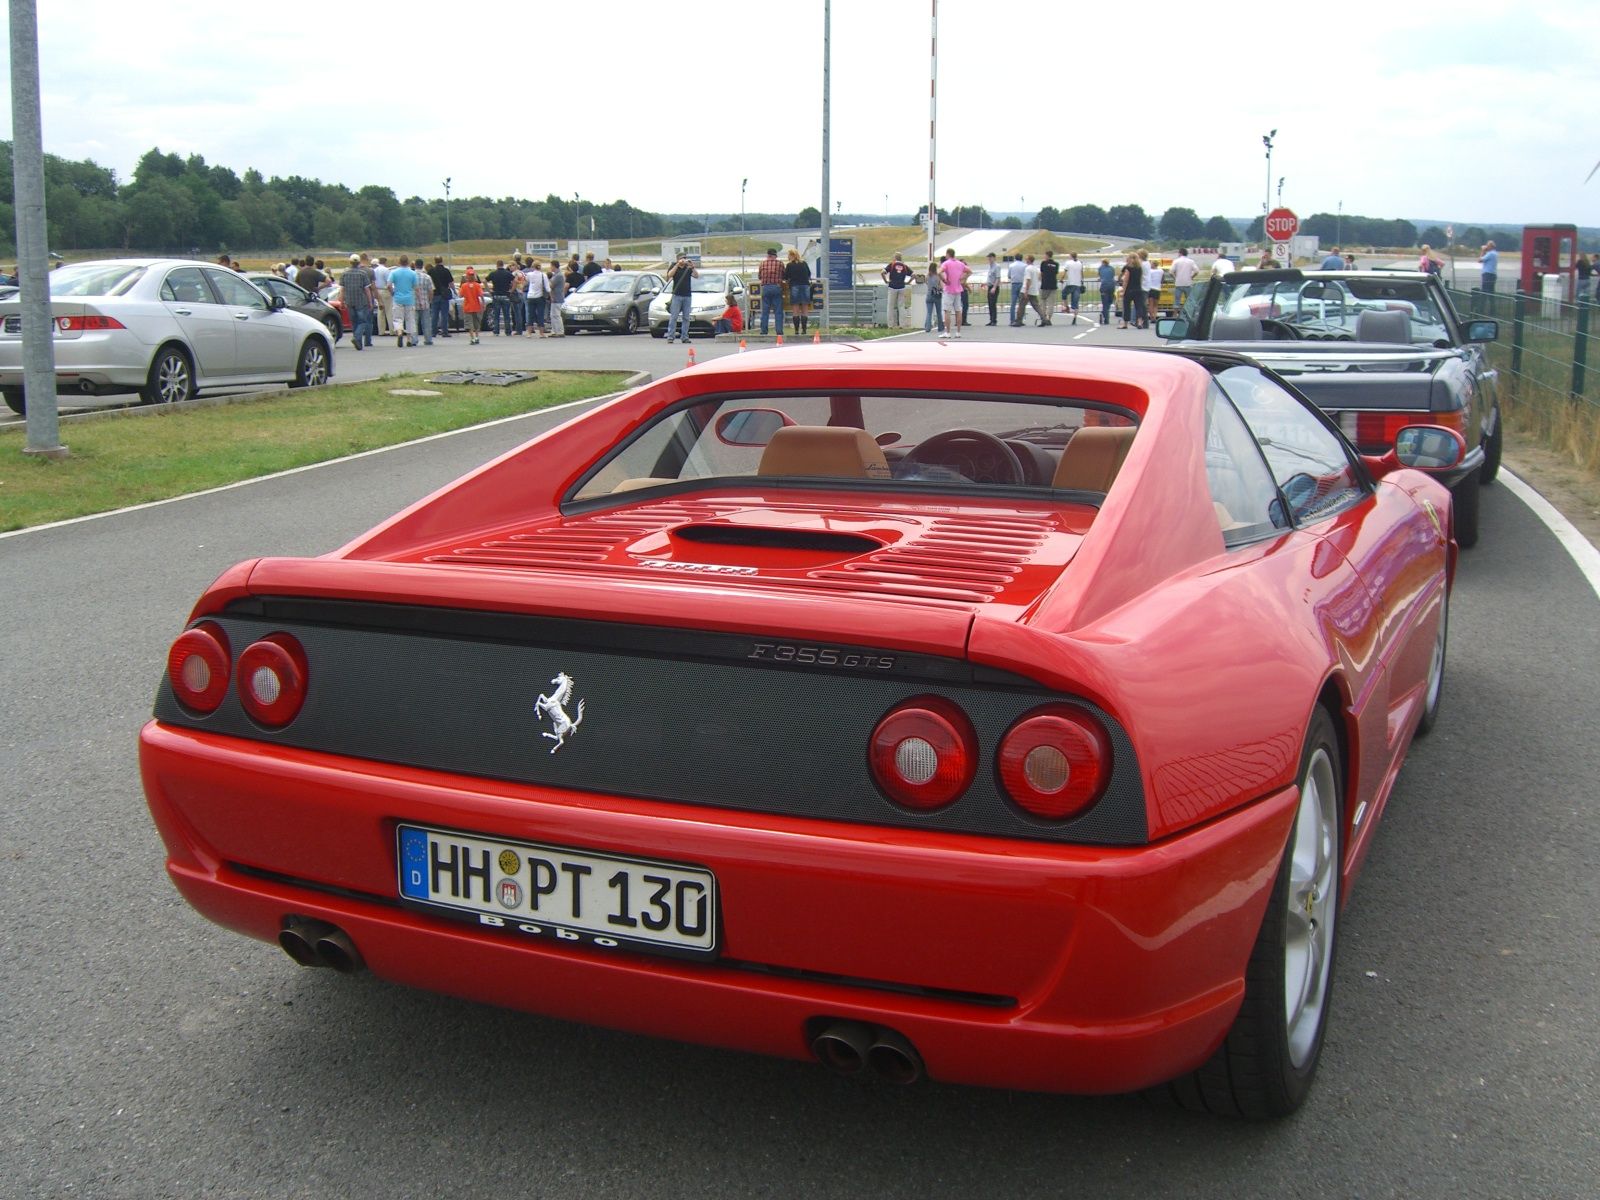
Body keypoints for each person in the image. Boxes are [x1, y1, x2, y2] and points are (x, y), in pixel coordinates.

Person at [338, 253, 375, 351]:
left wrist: (341, 301)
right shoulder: (363, 274)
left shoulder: (344, 274)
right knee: (362, 321)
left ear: (350, 262)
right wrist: (370, 302)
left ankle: (358, 341)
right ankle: (357, 337)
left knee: (353, 322)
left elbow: (342, 289)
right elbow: (367, 290)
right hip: (361, 301)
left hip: (349, 300)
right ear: (359, 262)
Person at [664, 252, 698, 343]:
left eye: (685, 258)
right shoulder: (674, 266)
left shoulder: (688, 267)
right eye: (682, 258)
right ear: (678, 259)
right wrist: (677, 265)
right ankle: (670, 336)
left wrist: (692, 267)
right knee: (674, 317)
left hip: (687, 295)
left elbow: (696, 276)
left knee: (686, 317)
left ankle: (685, 337)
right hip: (677, 295)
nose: (684, 260)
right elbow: (669, 275)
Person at [938, 247, 970, 338]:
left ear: (948, 254)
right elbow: (969, 271)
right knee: (958, 310)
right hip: (958, 289)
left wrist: (944, 280)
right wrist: (963, 278)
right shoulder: (960, 264)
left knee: (947, 311)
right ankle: (958, 331)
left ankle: (947, 332)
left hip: (949, 289)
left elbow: (939, 272)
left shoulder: (946, 263)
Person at [389, 255, 419, 348]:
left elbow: (389, 285)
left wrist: (392, 292)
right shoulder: (413, 273)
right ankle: (409, 339)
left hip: (398, 298)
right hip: (409, 299)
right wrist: (416, 296)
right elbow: (416, 287)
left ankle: (399, 332)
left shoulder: (394, 272)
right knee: (410, 319)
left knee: (398, 318)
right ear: (408, 262)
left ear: (399, 262)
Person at [757, 247, 785, 335]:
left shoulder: (762, 264)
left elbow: (759, 277)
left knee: (765, 311)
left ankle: (764, 331)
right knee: (778, 311)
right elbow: (784, 275)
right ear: (775, 256)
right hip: (776, 287)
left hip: (765, 288)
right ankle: (779, 331)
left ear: (767, 255)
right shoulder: (780, 263)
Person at [882, 253, 915, 327]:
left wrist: (886, 281)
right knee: (901, 306)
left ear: (894, 258)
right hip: (901, 287)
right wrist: (908, 282)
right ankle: (902, 325)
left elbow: (882, 272)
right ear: (901, 258)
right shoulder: (904, 266)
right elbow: (914, 275)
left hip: (892, 287)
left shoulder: (892, 265)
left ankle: (890, 325)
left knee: (890, 306)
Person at [784, 249, 812, 336]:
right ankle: (804, 330)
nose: (788, 257)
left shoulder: (789, 265)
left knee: (795, 310)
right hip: (805, 286)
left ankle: (796, 330)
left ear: (791, 255)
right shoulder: (804, 263)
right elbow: (809, 274)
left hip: (795, 286)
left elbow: (786, 276)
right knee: (805, 309)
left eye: (788, 255)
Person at [487, 259, 515, 335]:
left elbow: (484, 280)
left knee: (496, 315)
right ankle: (508, 331)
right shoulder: (507, 273)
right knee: (506, 315)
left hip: (496, 295)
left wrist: (489, 290)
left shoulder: (493, 273)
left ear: (497, 265)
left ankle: (496, 331)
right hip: (506, 295)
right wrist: (511, 290)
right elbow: (514, 280)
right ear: (503, 265)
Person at [428, 257, 454, 337]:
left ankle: (433, 331)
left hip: (435, 294)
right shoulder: (446, 271)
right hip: (444, 295)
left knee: (434, 314)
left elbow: (429, 283)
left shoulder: (431, 271)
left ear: (435, 262)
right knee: (444, 314)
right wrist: (454, 292)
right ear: (442, 261)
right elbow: (451, 283)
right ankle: (444, 331)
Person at [1016, 254, 1045, 326]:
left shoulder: (1028, 269)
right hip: (1034, 290)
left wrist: (1026, 290)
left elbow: (1028, 280)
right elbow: (1039, 277)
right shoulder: (1035, 269)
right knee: (1036, 306)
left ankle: (1019, 320)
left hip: (1027, 289)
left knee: (1021, 305)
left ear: (1029, 260)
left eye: (1026, 259)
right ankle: (1044, 318)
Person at [459, 266, 484, 344]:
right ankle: (476, 337)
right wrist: (483, 303)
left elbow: (460, 295)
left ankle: (472, 338)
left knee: (469, 324)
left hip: (467, 307)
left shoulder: (464, 286)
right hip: (476, 306)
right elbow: (481, 295)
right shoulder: (477, 285)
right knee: (476, 323)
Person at [412, 255, 435, 344]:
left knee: (414, 322)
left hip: (413, 302)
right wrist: (430, 300)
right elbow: (431, 291)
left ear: (415, 265)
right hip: (425, 302)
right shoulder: (427, 277)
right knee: (426, 323)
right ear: (422, 265)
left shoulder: (411, 276)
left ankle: (414, 340)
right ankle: (428, 339)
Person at [1119, 252, 1144, 329]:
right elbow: (1141, 279)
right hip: (1138, 289)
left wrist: (1123, 290)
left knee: (1126, 307)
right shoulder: (1139, 268)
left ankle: (1125, 323)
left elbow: (1126, 280)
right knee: (1138, 306)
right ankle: (1140, 322)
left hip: (1129, 289)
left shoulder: (1128, 268)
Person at [524, 259, 549, 336]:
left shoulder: (529, 274)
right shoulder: (543, 275)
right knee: (540, 314)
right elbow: (547, 288)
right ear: (540, 267)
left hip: (530, 296)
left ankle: (529, 333)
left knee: (530, 314)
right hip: (540, 296)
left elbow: (525, 280)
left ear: (533, 266)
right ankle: (541, 333)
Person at [370, 257, 392, 335]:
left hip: (377, 290)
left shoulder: (374, 270)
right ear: (385, 262)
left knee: (380, 311)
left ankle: (381, 331)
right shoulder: (386, 270)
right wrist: (391, 291)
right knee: (389, 311)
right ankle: (392, 330)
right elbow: (389, 282)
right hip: (385, 290)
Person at [1038, 250, 1059, 326]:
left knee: (1042, 302)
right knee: (1051, 303)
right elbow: (1056, 273)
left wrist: (1040, 280)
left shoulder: (1043, 263)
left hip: (1044, 285)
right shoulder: (1056, 264)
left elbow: (1041, 273)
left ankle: (1043, 318)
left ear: (1047, 255)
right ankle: (1049, 318)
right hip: (1053, 285)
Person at [923, 261, 944, 334]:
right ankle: (940, 327)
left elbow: (926, 283)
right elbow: (941, 285)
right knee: (938, 312)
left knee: (929, 312)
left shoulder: (927, 276)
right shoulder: (938, 276)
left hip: (929, 294)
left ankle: (927, 327)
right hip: (937, 295)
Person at [547, 262, 566, 336]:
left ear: (554, 266)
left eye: (551, 266)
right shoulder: (556, 275)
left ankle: (560, 331)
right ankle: (554, 331)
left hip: (557, 297)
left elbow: (551, 285)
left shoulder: (558, 275)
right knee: (553, 315)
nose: (550, 267)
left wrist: (547, 282)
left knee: (557, 315)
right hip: (555, 297)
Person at [1144, 252, 1164, 323]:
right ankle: (1155, 316)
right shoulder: (1161, 271)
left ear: (1152, 264)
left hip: (1150, 288)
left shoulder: (1150, 271)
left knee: (1150, 304)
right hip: (1158, 289)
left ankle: (1152, 317)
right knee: (1156, 305)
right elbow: (1162, 280)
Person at [1006, 253, 1026, 325]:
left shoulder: (1011, 265)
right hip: (1021, 283)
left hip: (1014, 284)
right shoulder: (1024, 266)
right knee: (1022, 303)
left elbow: (1009, 276)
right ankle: (1020, 319)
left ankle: (1012, 320)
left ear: (1015, 258)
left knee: (1013, 303)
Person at [983, 252, 1002, 326]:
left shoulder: (996, 266)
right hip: (990, 286)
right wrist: (986, 283)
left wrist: (994, 287)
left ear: (994, 258)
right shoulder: (990, 266)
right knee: (990, 304)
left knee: (993, 303)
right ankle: (991, 319)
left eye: (990, 257)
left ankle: (994, 320)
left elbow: (998, 278)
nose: (989, 259)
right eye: (988, 257)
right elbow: (990, 278)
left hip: (994, 287)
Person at [1097, 258, 1116, 325]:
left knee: (1105, 303)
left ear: (1102, 263)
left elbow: (1100, 275)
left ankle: (1105, 318)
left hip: (1104, 287)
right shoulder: (1112, 268)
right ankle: (1104, 314)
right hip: (1112, 286)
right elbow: (1112, 276)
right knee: (1109, 302)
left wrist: (1100, 279)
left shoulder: (1100, 268)